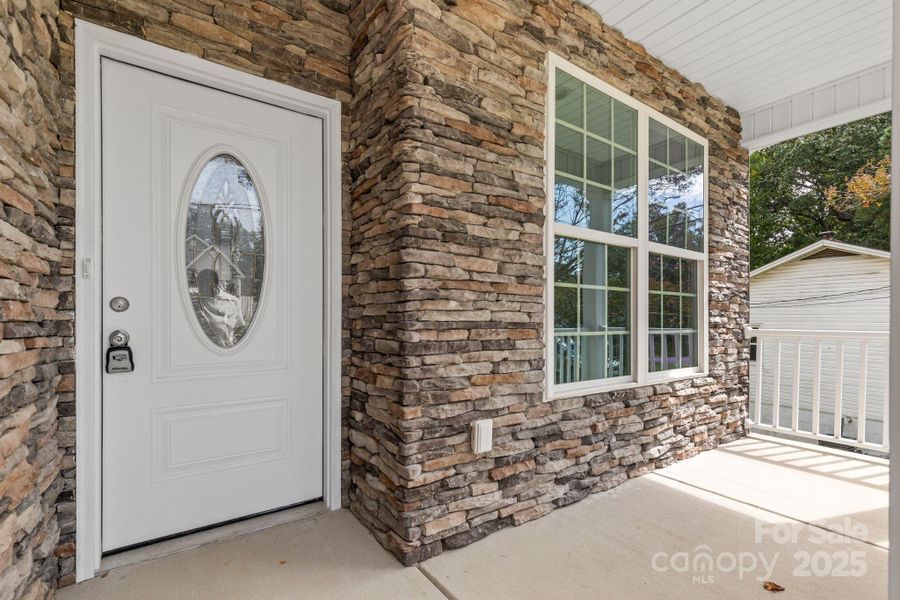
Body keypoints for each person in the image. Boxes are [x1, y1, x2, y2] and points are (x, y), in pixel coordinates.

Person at [195, 268, 246, 347]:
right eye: (198, 284)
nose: (199, 288)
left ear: (213, 284)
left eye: (202, 284)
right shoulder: (197, 299)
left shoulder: (232, 301)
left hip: (225, 346)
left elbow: (241, 324)